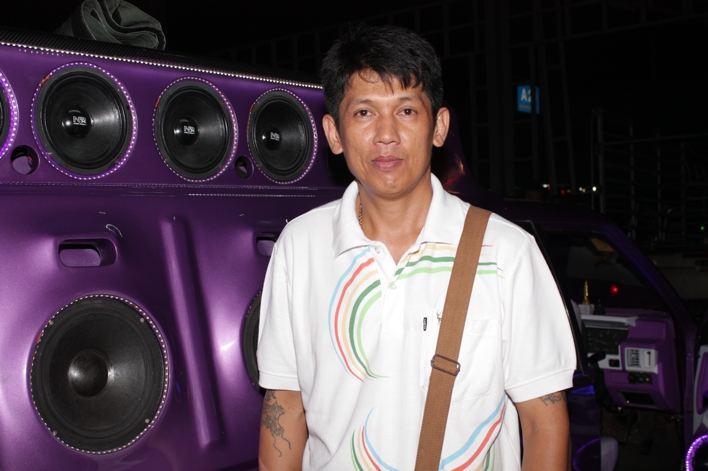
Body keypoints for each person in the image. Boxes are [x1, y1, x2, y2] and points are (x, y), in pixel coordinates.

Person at [257, 24, 576, 471]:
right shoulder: (300, 246)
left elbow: (544, 423)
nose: (386, 134)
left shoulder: (507, 252)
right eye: (364, 112)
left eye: (406, 110)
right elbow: (285, 405)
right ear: (333, 133)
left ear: (439, 126)